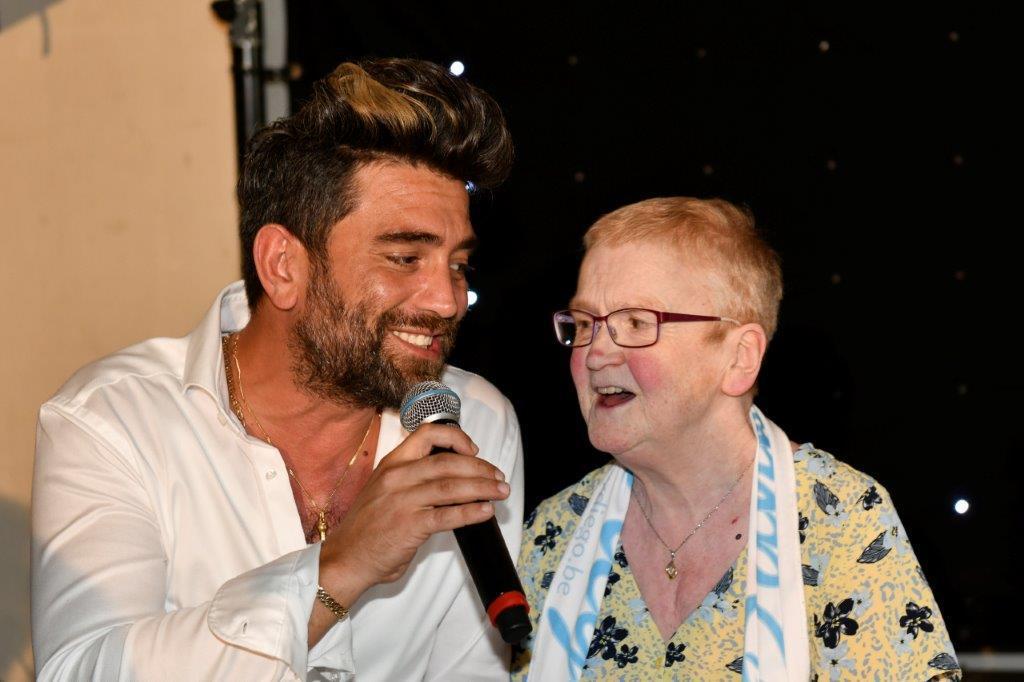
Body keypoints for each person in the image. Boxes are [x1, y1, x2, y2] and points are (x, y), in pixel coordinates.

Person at [32, 58, 523, 681]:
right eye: (404, 258)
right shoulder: (115, 420)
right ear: (283, 266)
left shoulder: (476, 421)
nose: (447, 301)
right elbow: (78, 671)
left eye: (457, 264)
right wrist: (336, 570)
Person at [512, 198, 960, 680]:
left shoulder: (839, 518)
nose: (595, 353)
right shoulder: (553, 532)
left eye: (636, 323)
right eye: (585, 324)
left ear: (740, 358)